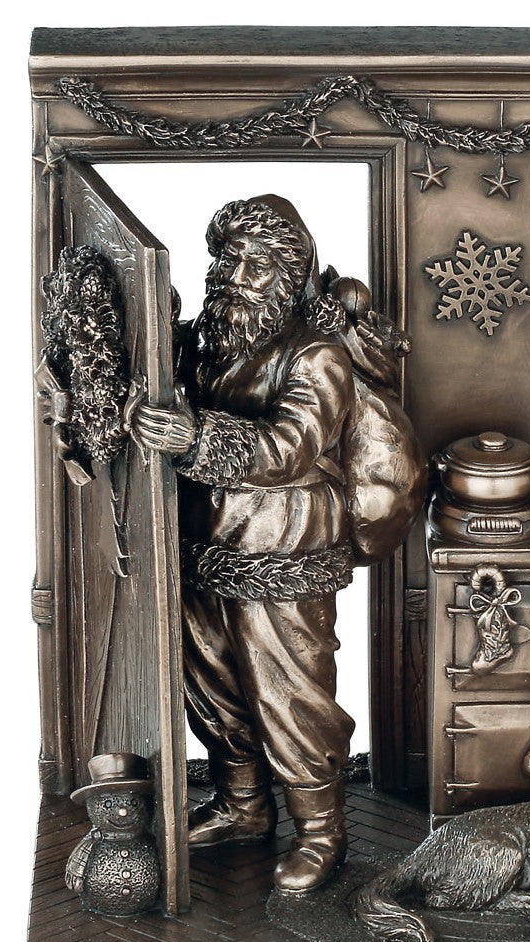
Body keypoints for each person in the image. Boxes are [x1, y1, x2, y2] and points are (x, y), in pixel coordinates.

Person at [130, 195, 361, 894]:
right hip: (201, 544)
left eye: (253, 264)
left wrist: (195, 436)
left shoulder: (315, 356)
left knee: (290, 694)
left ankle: (320, 831)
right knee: (212, 683)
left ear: (288, 277)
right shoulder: (205, 340)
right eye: (226, 259)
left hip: (281, 551)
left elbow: (291, 447)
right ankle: (243, 805)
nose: (233, 276)